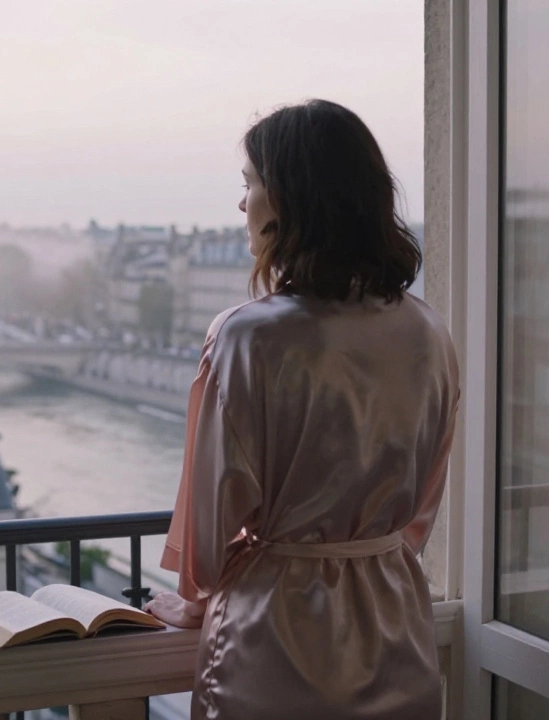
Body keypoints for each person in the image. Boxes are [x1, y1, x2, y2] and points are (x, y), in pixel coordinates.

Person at [144, 99, 460, 720]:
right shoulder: (429, 331)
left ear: (289, 199)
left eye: (250, 185)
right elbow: (422, 505)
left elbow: (211, 521)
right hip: (394, 621)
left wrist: (196, 595)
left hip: (276, 636)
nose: (243, 205)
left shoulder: (246, 335)